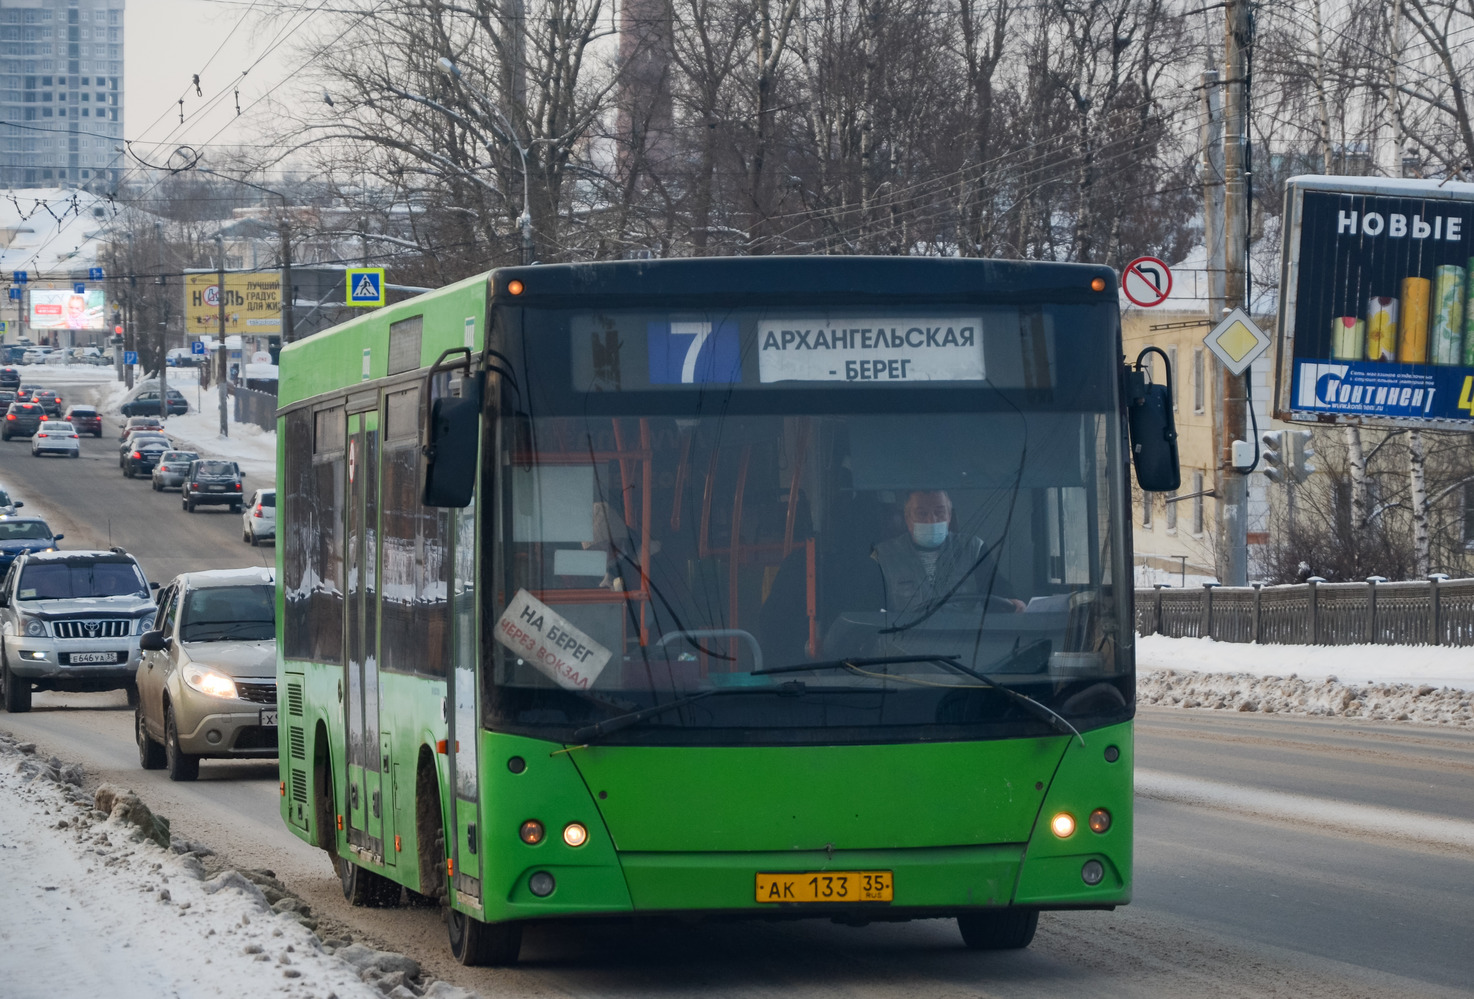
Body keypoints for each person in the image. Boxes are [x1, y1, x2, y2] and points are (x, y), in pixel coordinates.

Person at [870, 489, 1024, 621]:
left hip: (967, 643)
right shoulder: (882, 556)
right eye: (922, 513)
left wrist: (1013, 603)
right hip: (903, 645)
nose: (931, 520)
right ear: (907, 518)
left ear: (949, 516)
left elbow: (999, 593)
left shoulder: (973, 548)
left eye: (939, 512)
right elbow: (866, 609)